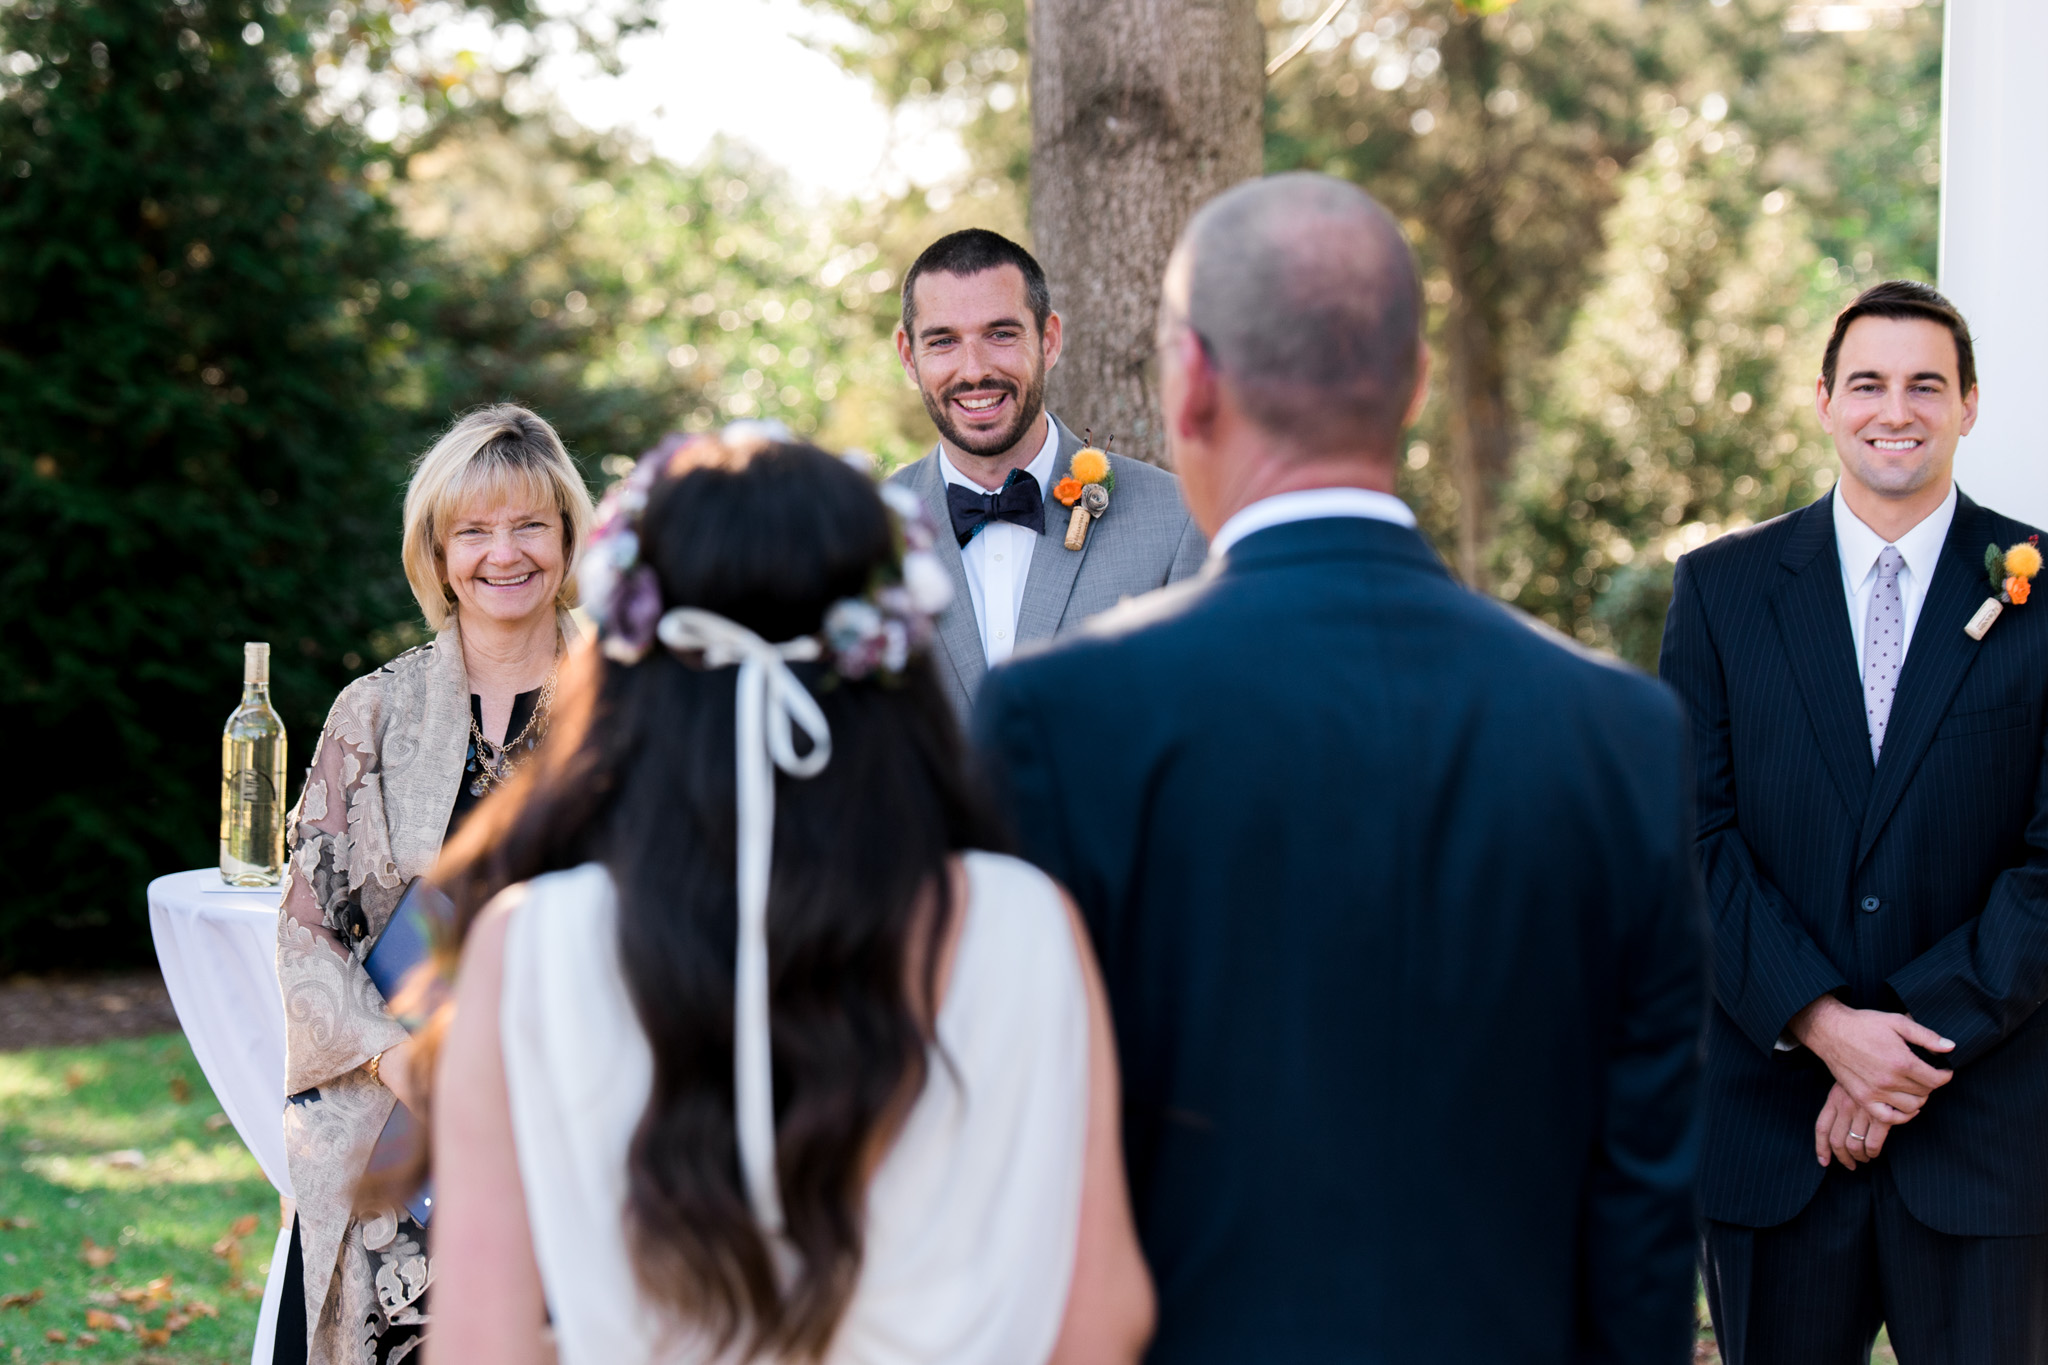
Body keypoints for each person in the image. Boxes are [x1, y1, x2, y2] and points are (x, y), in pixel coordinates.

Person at [974, 173, 1708, 1364]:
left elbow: (1008, 1168)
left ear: (1192, 383)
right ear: (1413, 383)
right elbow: (1642, 1207)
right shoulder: (1618, 731)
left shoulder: (1059, 719)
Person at [422, 428, 1153, 1365]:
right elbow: (1103, 1318)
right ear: (890, 649)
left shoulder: (527, 946)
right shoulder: (1028, 924)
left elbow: (479, 1347)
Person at [1663, 280, 2048, 1364]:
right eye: (1868, 383)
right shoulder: (1718, 590)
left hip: (1983, 1134)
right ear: (1823, 400)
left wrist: (1902, 1053)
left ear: (1968, 404)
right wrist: (1825, 1027)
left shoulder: (2043, 590)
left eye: (1926, 384)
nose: (1896, 409)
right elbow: (1689, 840)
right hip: (1771, 1130)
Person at [274, 404, 594, 1365]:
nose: (506, 553)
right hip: (402, 1108)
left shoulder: (637, 698)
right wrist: (395, 1059)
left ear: (569, 537)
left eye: (531, 524)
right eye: (475, 530)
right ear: (439, 553)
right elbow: (307, 930)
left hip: (586, 1099)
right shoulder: (372, 710)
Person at [884, 228, 1205, 721]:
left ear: (1049, 340)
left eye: (1001, 334)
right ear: (909, 356)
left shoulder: (1177, 521)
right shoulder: (866, 530)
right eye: (943, 341)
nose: (973, 370)